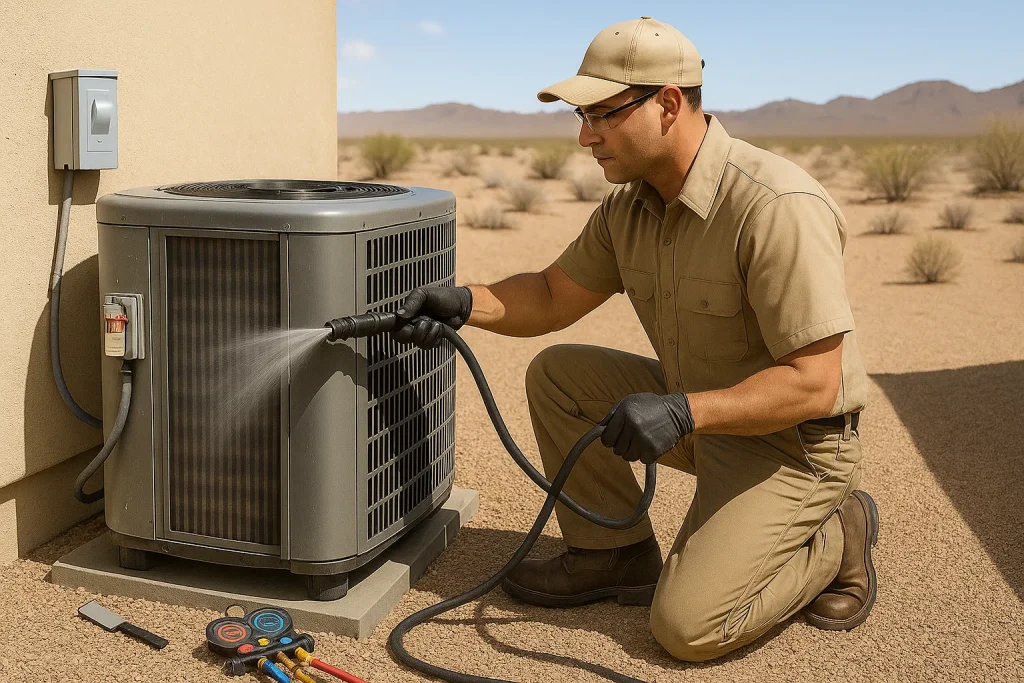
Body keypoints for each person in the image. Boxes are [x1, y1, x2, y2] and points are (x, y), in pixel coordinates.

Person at [390, 16, 879, 663]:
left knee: (687, 627)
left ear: (668, 104)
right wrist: (464, 302)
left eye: (603, 114)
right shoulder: (630, 208)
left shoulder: (775, 206)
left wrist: (683, 410)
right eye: (580, 116)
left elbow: (815, 381)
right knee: (559, 375)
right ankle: (612, 554)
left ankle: (839, 535)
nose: (585, 136)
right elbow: (552, 292)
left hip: (793, 444)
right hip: (705, 416)